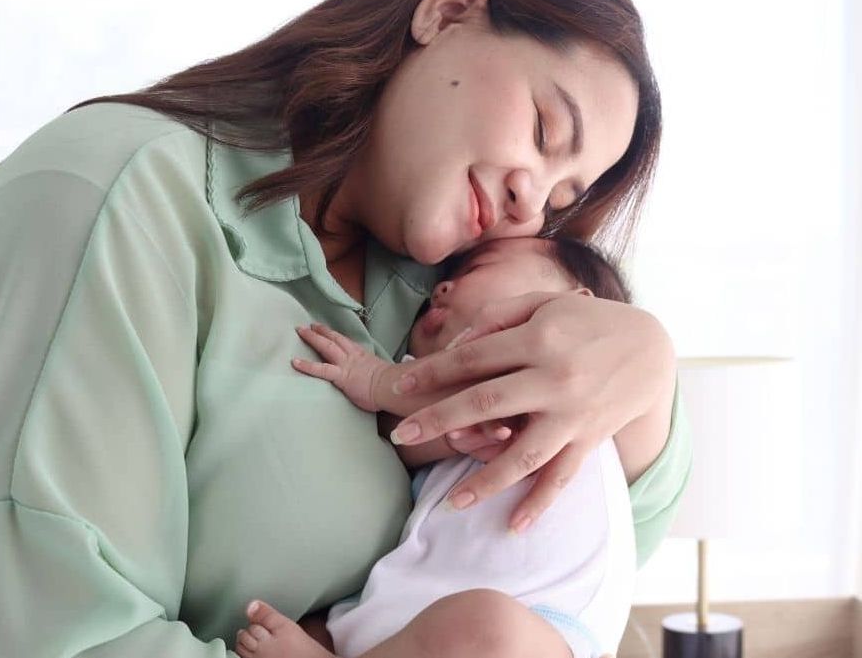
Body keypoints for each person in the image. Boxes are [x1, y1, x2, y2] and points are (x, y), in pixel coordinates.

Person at [0, 0, 691, 657]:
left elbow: (569, 551)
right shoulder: (107, 198)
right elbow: (40, 632)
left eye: (561, 198)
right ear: (449, 10)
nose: (532, 202)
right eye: (544, 130)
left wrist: (646, 375)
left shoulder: (441, 290)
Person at [233, 235, 641, 658]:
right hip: (425, 622)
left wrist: (376, 380)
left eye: (475, 270)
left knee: (489, 627)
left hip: (543, 624)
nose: (440, 288)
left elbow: (477, 401)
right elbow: (409, 434)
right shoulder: (448, 430)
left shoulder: (562, 383)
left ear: (573, 309)